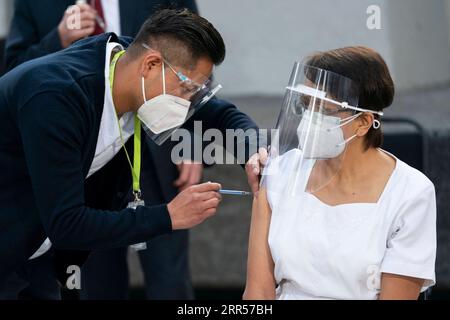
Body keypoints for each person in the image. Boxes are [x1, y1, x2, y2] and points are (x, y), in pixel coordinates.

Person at [0, 8, 263, 299]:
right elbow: (67, 223)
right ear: (150, 65)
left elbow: (222, 116)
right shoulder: (56, 98)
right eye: (187, 89)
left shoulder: (126, 61)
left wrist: (252, 154)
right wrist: (169, 216)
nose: (188, 104)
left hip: (38, 252)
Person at [244, 46, 437, 300]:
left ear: (364, 122)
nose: (309, 119)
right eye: (305, 106)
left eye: (323, 109)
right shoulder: (281, 171)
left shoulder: (410, 193)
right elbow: (258, 293)